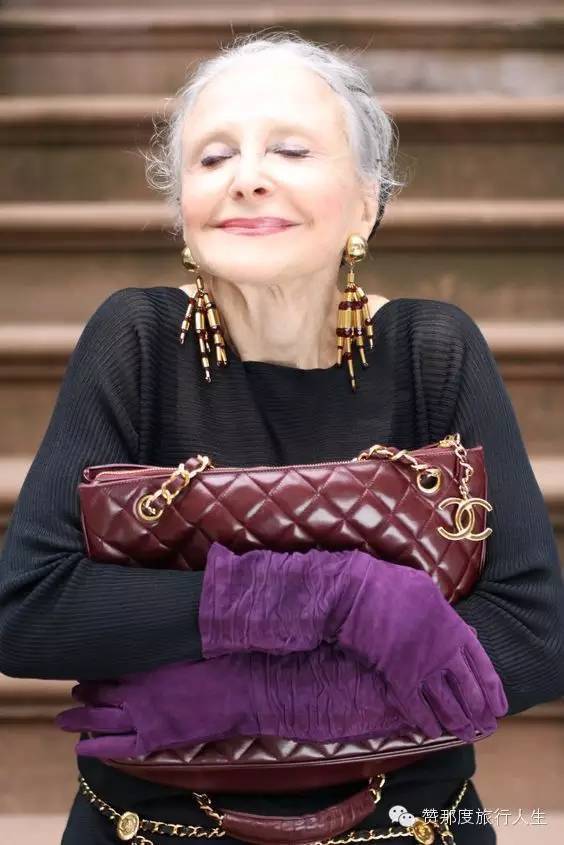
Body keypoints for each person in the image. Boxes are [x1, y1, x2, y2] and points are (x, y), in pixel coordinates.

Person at [0, 30, 563, 845]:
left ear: (366, 202)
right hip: (155, 825)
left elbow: (535, 638)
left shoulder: (433, 350)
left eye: (291, 150)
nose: (248, 176)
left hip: (405, 823)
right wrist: (330, 595)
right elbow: (30, 608)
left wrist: (270, 702)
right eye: (213, 157)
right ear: (183, 212)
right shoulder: (136, 340)